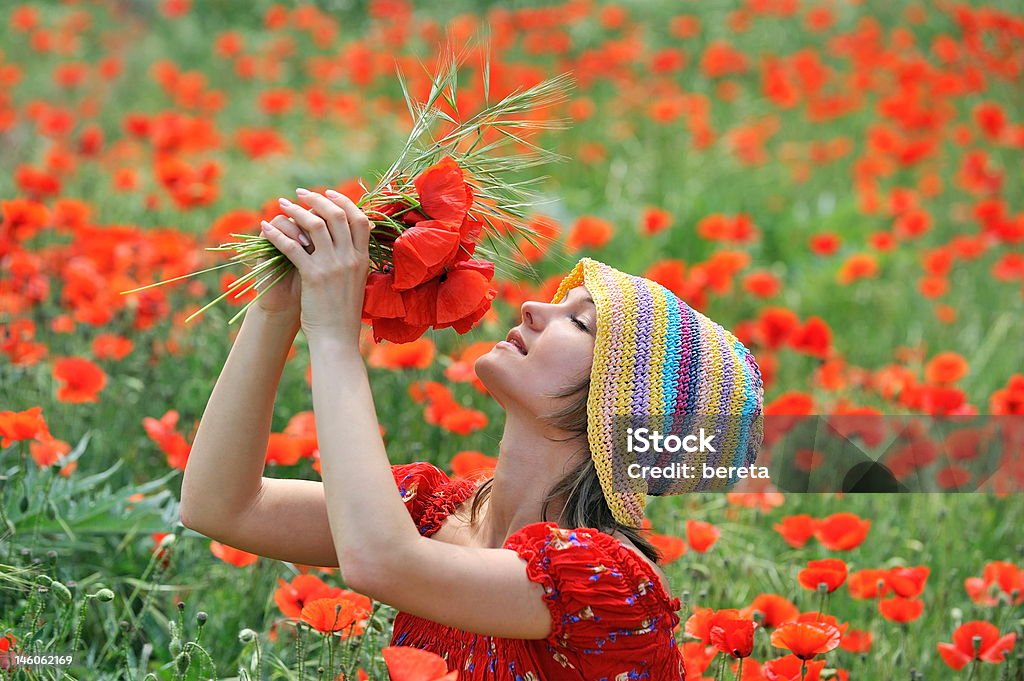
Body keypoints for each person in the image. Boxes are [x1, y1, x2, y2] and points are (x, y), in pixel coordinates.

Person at [179, 188, 765, 680]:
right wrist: (277, 310)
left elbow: (384, 564)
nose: (536, 307)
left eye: (580, 322)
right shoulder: (439, 512)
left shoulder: (606, 578)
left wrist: (334, 336)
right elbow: (222, 506)